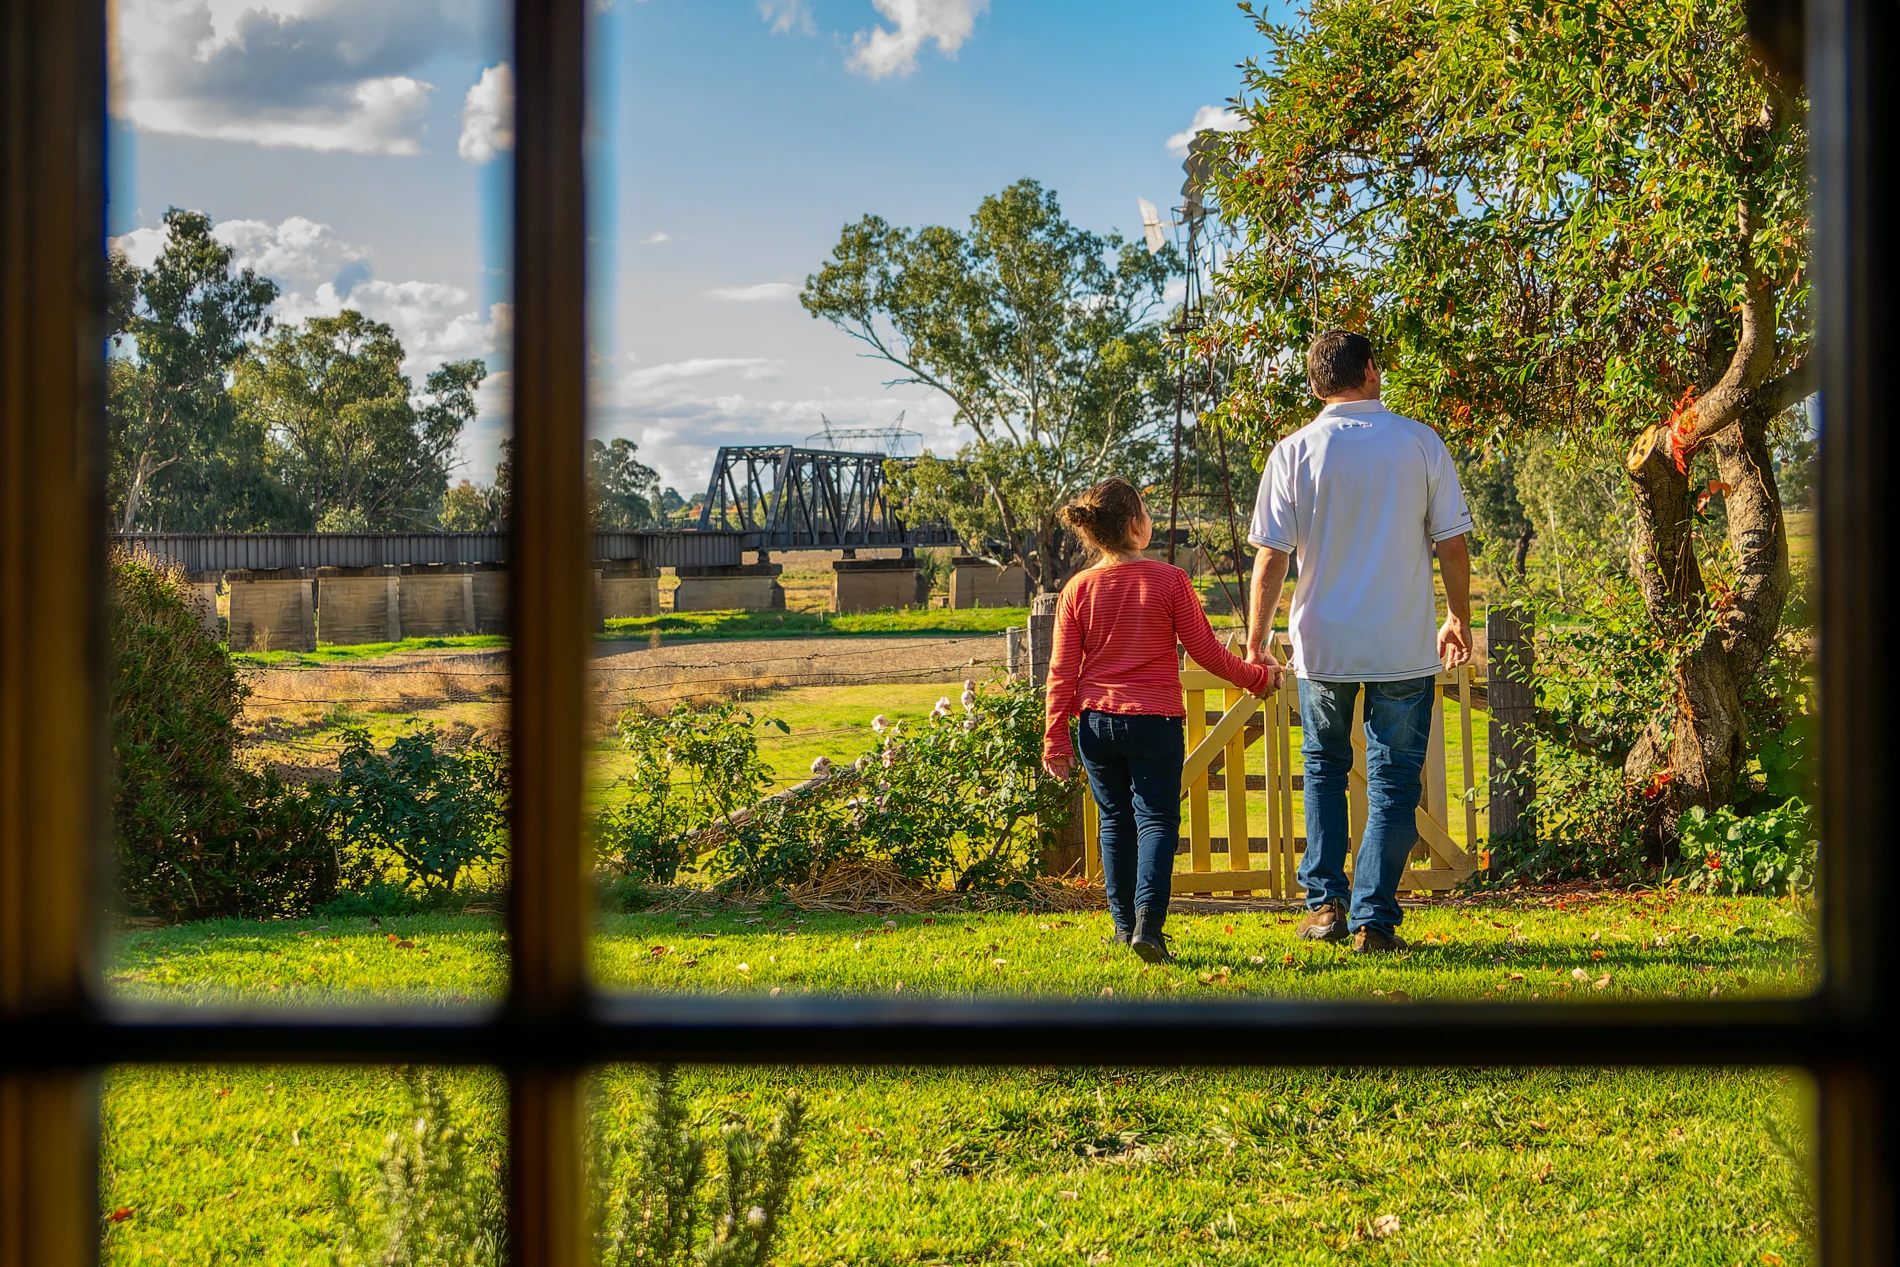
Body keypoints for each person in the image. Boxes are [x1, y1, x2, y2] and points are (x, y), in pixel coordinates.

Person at [1244, 331, 1474, 954]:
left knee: (1323, 770)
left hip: (1323, 644)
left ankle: (1324, 906)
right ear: (1371, 371)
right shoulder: (1420, 442)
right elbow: (1451, 543)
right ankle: (1373, 915)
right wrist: (1457, 616)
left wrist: (1256, 638)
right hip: (1402, 641)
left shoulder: (1293, 451)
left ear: (1317, 384)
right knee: (1395, 781)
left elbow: (1272, 555)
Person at [1043, 477, 1278, 963]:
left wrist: (1055, 740)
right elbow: (1208, 653)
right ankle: (1149, 924)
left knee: (1114, 823)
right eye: (1147, 511)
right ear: (1136, 525)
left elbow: (1062, 670)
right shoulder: (1169, 580)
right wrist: (1255, 677)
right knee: (1156, 821)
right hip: (1155, 720)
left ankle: (1123, 927)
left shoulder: (1077, 589)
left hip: (1096, 723)